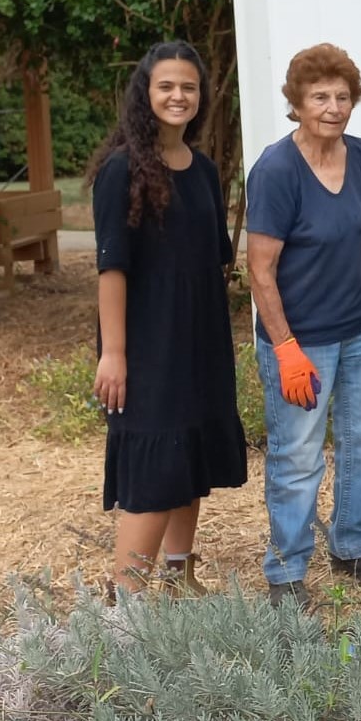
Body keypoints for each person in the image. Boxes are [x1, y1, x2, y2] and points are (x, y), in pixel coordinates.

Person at [247, 43, 361, 609]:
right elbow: (260, 268)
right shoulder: (276, 171)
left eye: (342, 97)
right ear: (296, 103)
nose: (333, 107)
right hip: (300, 340)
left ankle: (350, 547)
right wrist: (286, 349)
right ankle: (286, 572)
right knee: (298, 455)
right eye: (319, 96)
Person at [90, 40, 246, 597]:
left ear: (200, 97)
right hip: (147, 340)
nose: (178, 96)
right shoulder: (122, 170)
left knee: (191, 451)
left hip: (199, 334)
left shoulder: (204, 171)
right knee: (156, 463)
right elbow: (112, 269)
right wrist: (114, 352)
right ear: (145, 93)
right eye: (166, 86)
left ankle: (180, 579)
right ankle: (124, 608)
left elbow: (213, 264)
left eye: (188, 87)